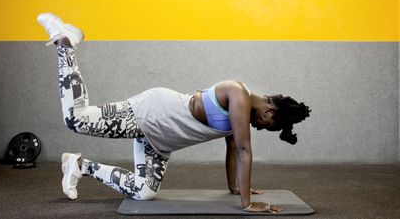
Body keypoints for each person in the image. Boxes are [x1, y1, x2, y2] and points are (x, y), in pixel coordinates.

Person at [37, 13, 311, 213]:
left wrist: (236, 189)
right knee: (77, 120)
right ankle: (66, 44)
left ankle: (80, 165)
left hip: (161, 141)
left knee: (143, 193)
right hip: (151, 113)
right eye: (267, 126)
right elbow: (243, 150)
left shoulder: (240, 114)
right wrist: (247, 205)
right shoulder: (238, 93)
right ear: (268, 114)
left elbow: (232, 150)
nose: (259, 129)